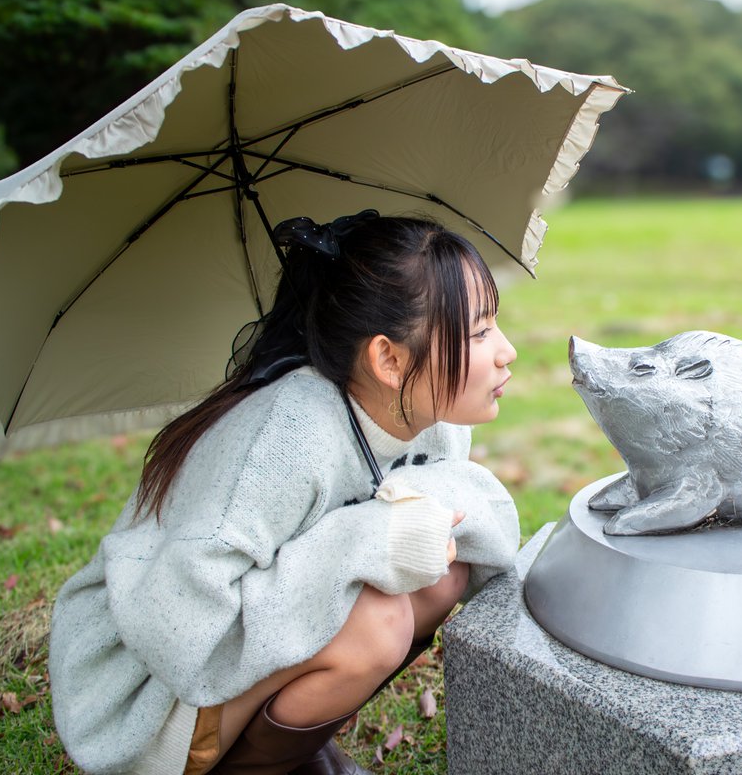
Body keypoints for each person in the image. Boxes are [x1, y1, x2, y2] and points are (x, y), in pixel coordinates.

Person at [48, 211, 521, 775]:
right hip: (146, 688)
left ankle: (297, 748)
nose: (506, 350)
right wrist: (363, 540)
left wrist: (401, 524)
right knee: (379, 625)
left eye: (494, 323)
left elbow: (465, 521)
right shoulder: (286, 439)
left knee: (443, 575)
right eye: (478, 332)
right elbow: (176, 632)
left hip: (231, 650)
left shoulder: (437, 417)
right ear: (389, 360)